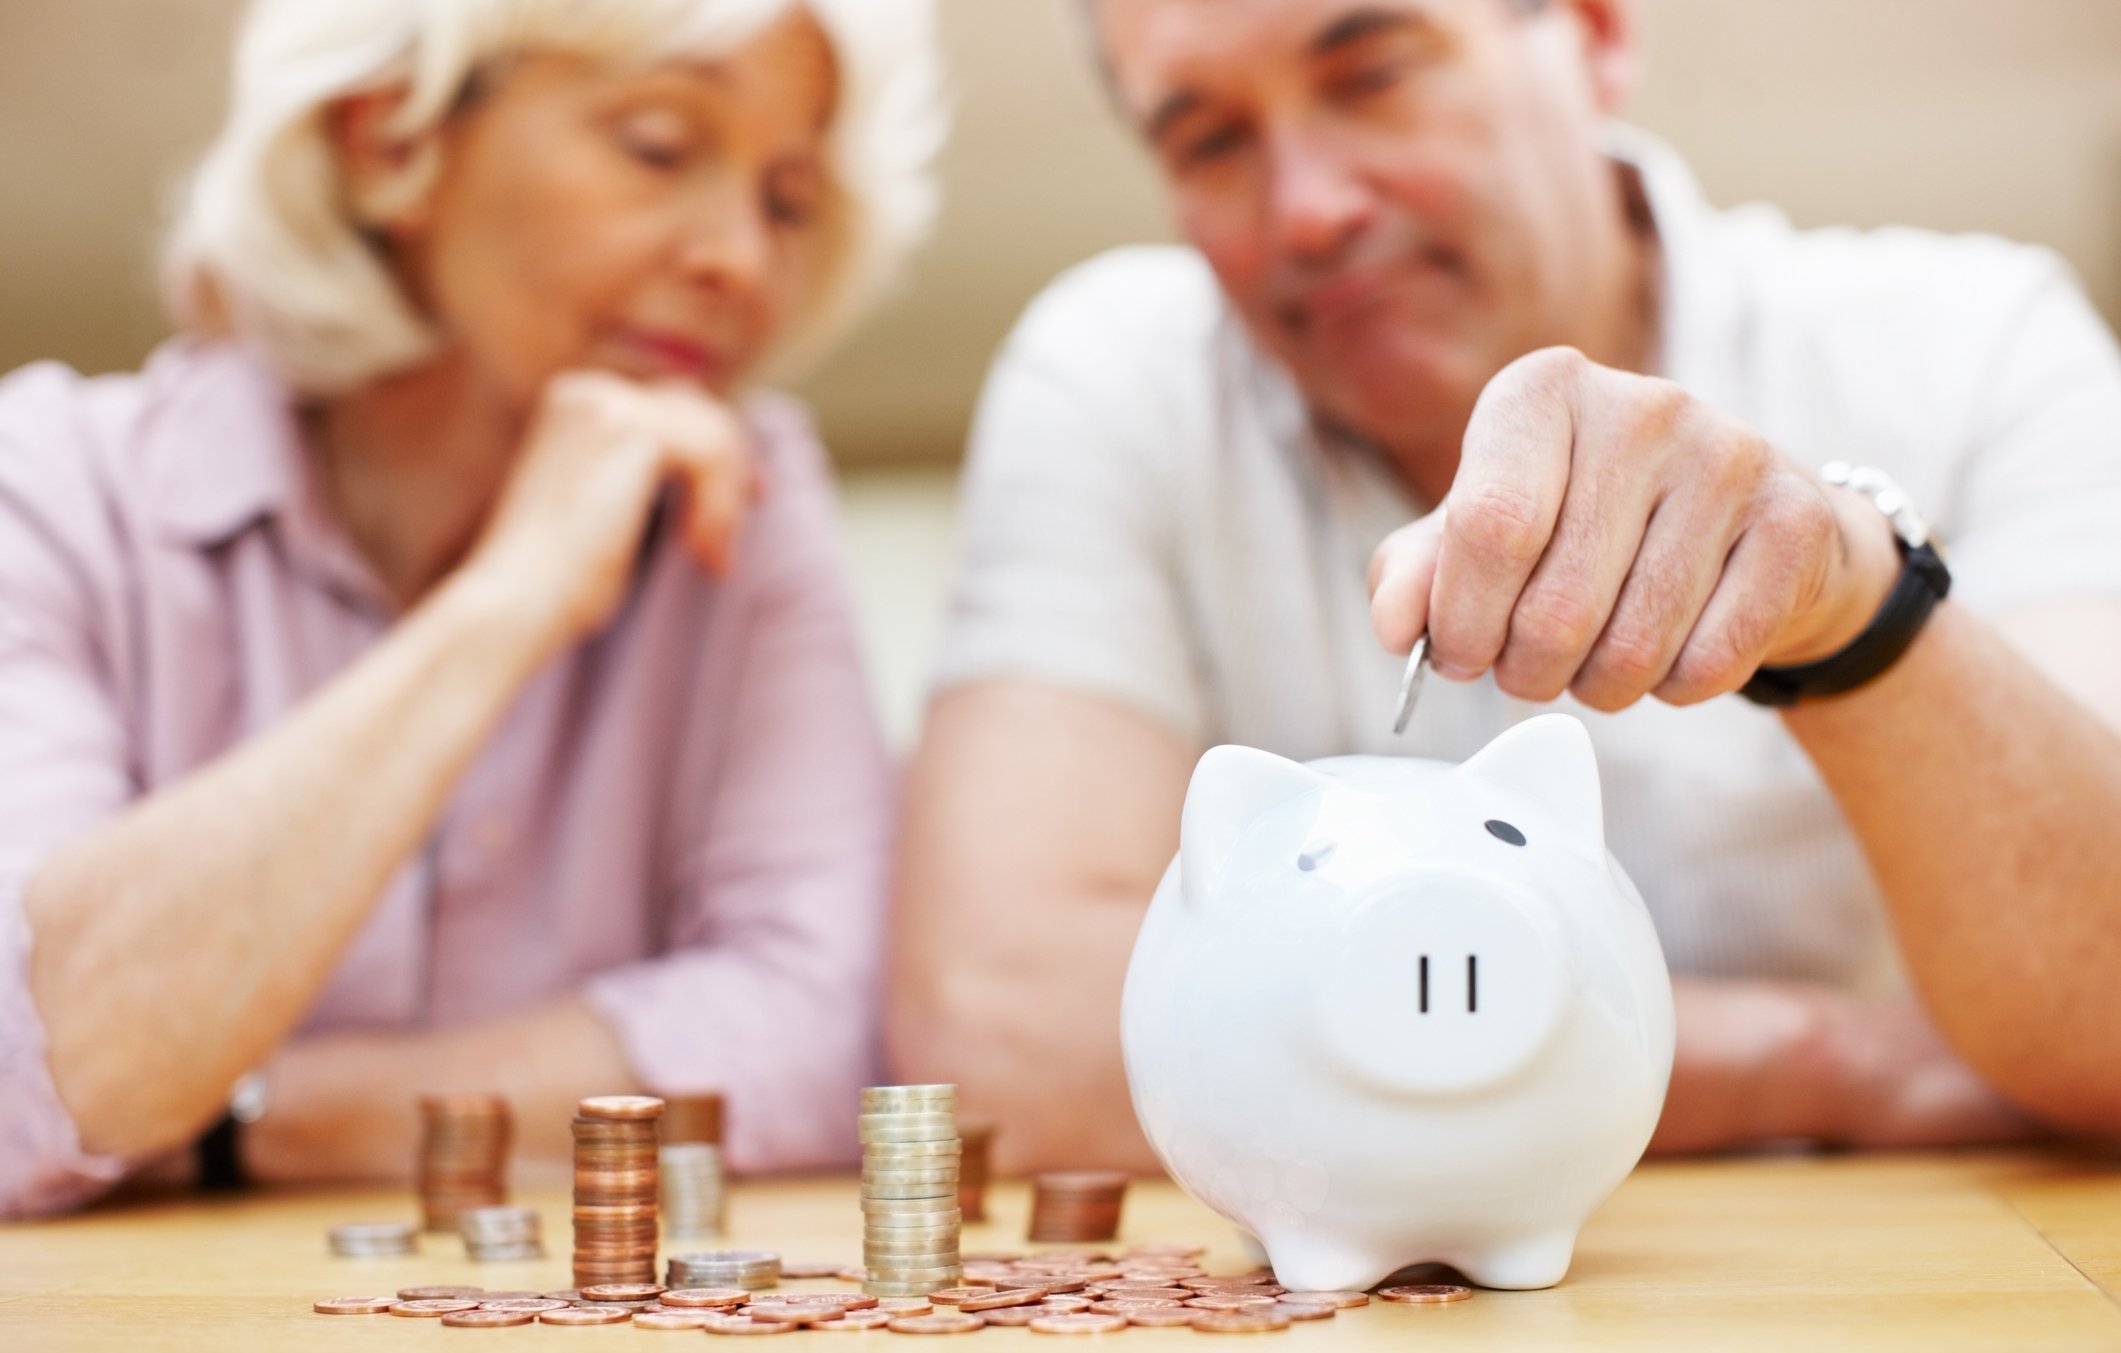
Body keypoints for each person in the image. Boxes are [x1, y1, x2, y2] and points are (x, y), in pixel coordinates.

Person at [891, 0, 2121, 1172]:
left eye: (1373, 72)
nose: (1308, 209)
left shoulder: (1982, 346)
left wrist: (1857, 610)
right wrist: (1828, 1061)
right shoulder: (1116, 382)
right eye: (1208, 137)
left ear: (1592, 32)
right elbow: (1005, 1033)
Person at [0, 0, 943, 1217]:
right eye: (659, 146)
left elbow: (819, 1039)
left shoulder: (744, 493)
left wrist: (233, 1112)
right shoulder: (48, 486)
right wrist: (511, 592)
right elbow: (37, 1067)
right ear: (390, 139)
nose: (743, 260)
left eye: (788, 200)